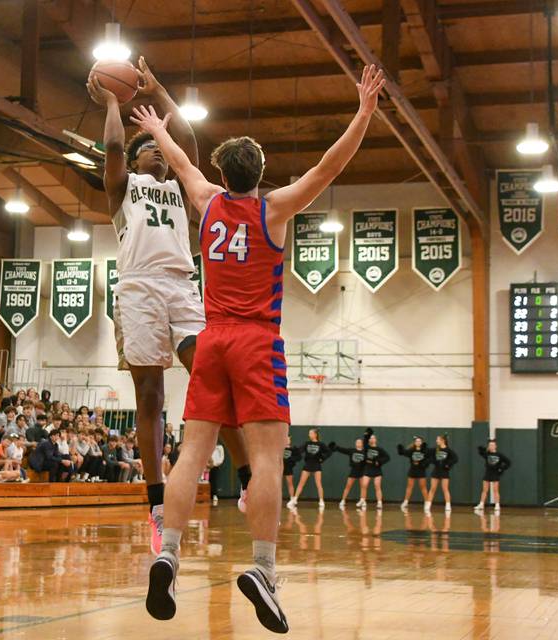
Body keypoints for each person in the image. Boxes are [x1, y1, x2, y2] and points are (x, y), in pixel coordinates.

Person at [137, 63, 384, 633]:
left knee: (192, 454)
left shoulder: (206, 201)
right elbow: (330, 164)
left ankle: (168, 555)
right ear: (261, 173)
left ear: (224, 173)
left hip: (212, 336)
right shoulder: (273, 208)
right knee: (269, 458)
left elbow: (181, 164)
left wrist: (157, 128)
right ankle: (264, 570)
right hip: (256, 342)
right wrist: (364, 111)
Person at [88, 56, 252, 551]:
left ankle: (247, 481)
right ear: (136, 162)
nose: (157, 156)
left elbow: (188, 138)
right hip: (138, 287)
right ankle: (157, 501)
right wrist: (115, 100)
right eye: (149, 152)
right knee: (151, 398)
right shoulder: (124, 189)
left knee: (213, 379)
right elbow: (115, 144)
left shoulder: (181, 191)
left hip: (182, 285)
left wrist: (157, 91)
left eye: (160, 151)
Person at [288, 429, 332, 510]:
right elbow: (299, 450)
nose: (309, 435)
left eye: (311, 433)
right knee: (301, 483)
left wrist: (322, 459)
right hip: (307, 465)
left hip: (316, 465)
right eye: (309, 433)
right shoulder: (307, 443)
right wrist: (294, 449)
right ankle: (294, 500)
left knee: (318, 484)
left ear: (315, 434)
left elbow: (328, 452)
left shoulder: (320, 444)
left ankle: (321, 501)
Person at [474, 439, 511, 513]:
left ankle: (497, 505)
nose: (491, 446)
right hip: (488, 473)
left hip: (495, 474)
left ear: (495, 446)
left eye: (493, 445)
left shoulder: (499, 455)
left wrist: (501, 468)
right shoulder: (487, 454)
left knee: (495, 490)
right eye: (490, 445)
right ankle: (481, 504)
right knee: (484, 490)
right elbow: (480, 450)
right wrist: (486, 449)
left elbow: (508, 462)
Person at [330, 437, 365, 510]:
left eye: (359, 442)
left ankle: (363, 500)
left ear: (362, 444)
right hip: (353, 470)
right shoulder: (352, 450)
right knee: (348, 486)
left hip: (362, 471)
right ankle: (343, 500)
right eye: (357, 442)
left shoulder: (365, 452)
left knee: (363, 486)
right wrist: (336, 447)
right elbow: (343, 450)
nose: (358, 443)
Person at [398, 436, 430, 513]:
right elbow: (404, 452)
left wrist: (423, 464)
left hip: (421, 471)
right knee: (409, 487)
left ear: (421, 442)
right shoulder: (411, 450)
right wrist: (400, 449)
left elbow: (428, 460)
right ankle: (405, 502)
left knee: (423, 487)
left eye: (419, 441)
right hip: (412, 470)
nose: (418, 442)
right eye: (416, 441)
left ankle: (427, 503)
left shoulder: (425, 451)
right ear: (415, 442)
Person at [427, 434, 458, 513]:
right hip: (436, 471)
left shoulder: (448, 450)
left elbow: (455, 458)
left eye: (438, 439)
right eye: (436, 439)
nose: (436, 441)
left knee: (445, 489)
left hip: (444, 472)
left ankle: (448, 505)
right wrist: (432, 461)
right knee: (432, 488)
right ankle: (428, 504)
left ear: (442, 440)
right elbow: (429, 456)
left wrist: (448, 464)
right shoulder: (435, 449)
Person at [362, 431, 390, 511]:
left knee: (377, 486)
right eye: (370, 438)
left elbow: (387, 457)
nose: (372, 439)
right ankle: (363, 501)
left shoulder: (379, 449)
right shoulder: (367, 447)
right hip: (368, 468)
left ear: (376, 440)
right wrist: (367, 435)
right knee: (364, 484)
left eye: (373, 438)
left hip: (376, 470)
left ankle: (379, 502)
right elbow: (364, 441)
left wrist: (379, 461)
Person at [282, 435, 302, 500]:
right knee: (279, 484)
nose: (287, 440)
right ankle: (278, 498)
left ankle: (292, 499)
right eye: (286, 439)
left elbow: (299, 457)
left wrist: (291, 459)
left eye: (289, 439)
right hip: (281, 468)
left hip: (289, 468)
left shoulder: (293, 449)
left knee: (290, 484)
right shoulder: (280, 448)